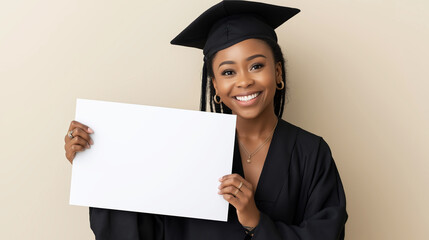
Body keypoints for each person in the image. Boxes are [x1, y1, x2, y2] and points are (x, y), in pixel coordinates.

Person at [64, 1, 348, 239]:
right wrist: (96, 163)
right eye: (228, 72)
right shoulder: (186, 146)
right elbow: (144, 231)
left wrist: (255, 222)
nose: (244, 81)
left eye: (256, 66)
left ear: (278, 72)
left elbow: (328, 234)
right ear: (215, 86)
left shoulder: (311, 152)